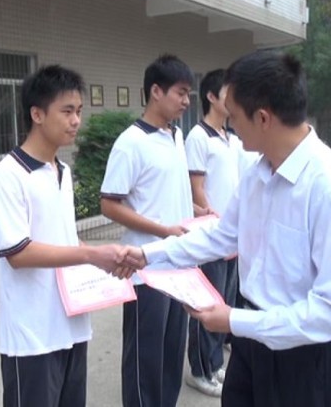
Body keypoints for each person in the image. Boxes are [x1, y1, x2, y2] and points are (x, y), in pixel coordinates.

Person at [125, 50, 331, 407]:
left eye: (234, 115)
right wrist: (145, 255)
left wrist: (234, 321)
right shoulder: (258, 174)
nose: (230, 124)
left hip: (309, 360)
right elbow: (222, 236)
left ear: (263, 118)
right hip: (251, 346)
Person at [0, 65, 129, 407]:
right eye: (67, 111)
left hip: (71, 322)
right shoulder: (8, 176)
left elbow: (63, 238)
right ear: (37, 114)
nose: (76, 121)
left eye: (79, 111)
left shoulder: (61, 171)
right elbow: (18, 253)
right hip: (31, 335)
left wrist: (102, 257)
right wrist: (90, 255)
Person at [99, 54, 195, 407]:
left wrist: (199, 212)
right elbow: (109, 204)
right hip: (146, 268)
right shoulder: (131, 143)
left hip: (181, 265)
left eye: (189, 94)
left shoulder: (177, 136)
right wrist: (163, 229)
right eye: (180, 93)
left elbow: (169, 191)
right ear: (156, 91)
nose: (186, 101)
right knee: (144, 359)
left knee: (171, 355)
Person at [183, 69, 246, 397]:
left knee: (225, 301)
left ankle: (214, 363)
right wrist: (211, 223)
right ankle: (200, 370)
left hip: (233, 235)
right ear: (210, 96)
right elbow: (198, 189)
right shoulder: (198, 136)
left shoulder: (231, 138)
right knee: (206, 305)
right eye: (227, 94)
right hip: (212, 236)